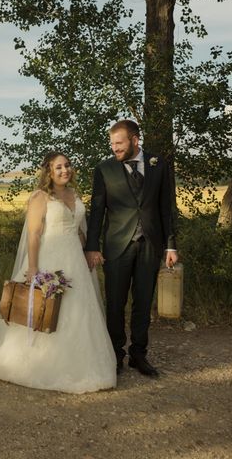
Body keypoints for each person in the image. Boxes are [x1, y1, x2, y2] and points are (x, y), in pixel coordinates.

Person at [0, 152, 117, 394]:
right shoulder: (40, 197)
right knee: (40, 309)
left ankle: (79, 366)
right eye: (59, 167)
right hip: (49, 258)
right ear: (48, 171)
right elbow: (34, 234)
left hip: (74, 260)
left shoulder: (73, 194)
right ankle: (31, 363)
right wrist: (33, 269)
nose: (65, 170)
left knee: (78, 311)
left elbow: (77, 230)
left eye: (68, 165)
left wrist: (91, 249)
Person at [85, 120, 178, 378]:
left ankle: (139, 354)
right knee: (115, 302)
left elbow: (166, 208)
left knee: (143, 301)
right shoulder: (104, 169)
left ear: (136, 139)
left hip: (150, 244)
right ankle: (115, 354)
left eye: (119, 143)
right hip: (117, 246)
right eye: (112, 143)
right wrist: (92, 246)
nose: (114, 148)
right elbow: (97, 211)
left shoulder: (158, 164)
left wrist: (171, 245)